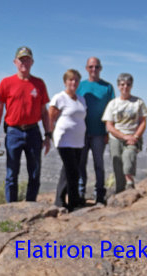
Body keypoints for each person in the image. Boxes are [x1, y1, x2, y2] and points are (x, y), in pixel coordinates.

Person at [0, 46, 51, 202]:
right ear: (15, 62)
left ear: (32, 62)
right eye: (21, 59)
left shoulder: (39, 84)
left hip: (33, 132)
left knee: (35, 173)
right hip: (13, 132)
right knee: (11, 174)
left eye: (27, 59)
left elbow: (44, 112)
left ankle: (30, 207)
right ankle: (11, 210)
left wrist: (48, 135)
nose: (24, 62)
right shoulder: (6, 82)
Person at [77, 57, 115, 204]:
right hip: (81, 133)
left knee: (99, 164)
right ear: (86, 68)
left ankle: (99, 194)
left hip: (99, 133)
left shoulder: (107, 87)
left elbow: (112, 111)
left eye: (97, 67)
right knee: (81, 164)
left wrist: (108, 132)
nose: (94, 70)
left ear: (101, 68)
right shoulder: (80, 85)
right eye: (91, 67)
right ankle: (80, 194)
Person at [102, 73, 147, 193]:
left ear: (131, 86)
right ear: (118, 86)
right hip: (116, 138)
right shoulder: (113, 104)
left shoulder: (138, 102)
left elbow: (143, 122)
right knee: (117, 164)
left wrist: (135, 136)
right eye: (122, 84)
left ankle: (129, 182)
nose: (125, 87)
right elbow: (109, 125)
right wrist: (123, 136)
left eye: (128, 84)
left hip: (133, 137)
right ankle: (120, 190)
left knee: (128, 156)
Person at [48, 69, 87, 211]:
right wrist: (50, 135)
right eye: (71, 80)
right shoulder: (59, 98)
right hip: (64, 140)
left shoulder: (81, 99)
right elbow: (50, 118)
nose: (73, 82)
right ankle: (73, 202)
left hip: (78, 141)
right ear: (65, 82)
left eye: (76, 80)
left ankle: (59, 201)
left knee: (68, 170)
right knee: (73, 171)